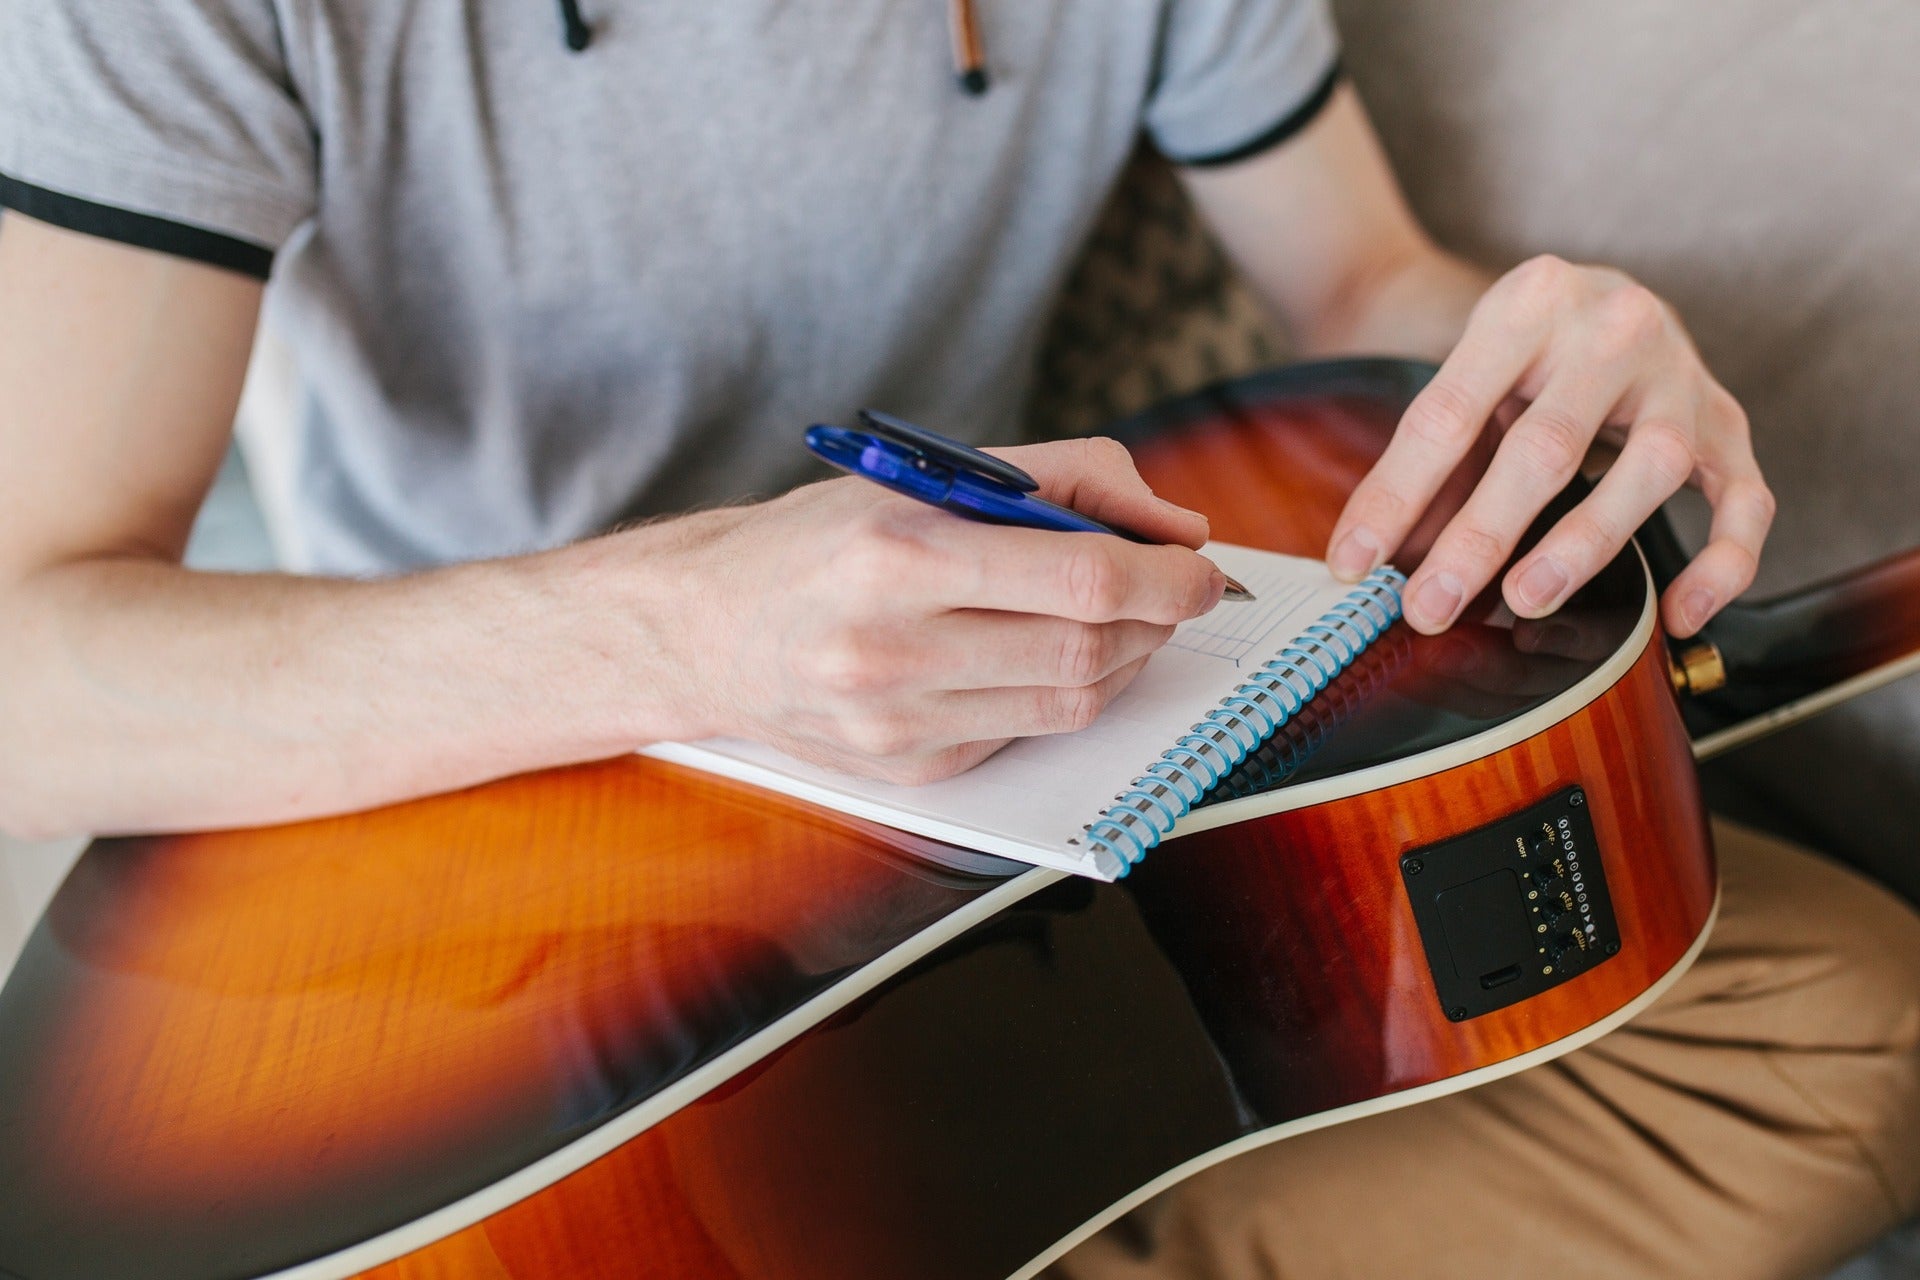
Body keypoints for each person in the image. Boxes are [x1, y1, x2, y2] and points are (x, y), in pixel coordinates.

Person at [0, 3, 1912, 1276]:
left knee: (1852, 1031)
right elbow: (27, 669)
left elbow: (1360, 278)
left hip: (1030, 802)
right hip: (496, 837)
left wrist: (1557, 357)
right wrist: (679, 632)